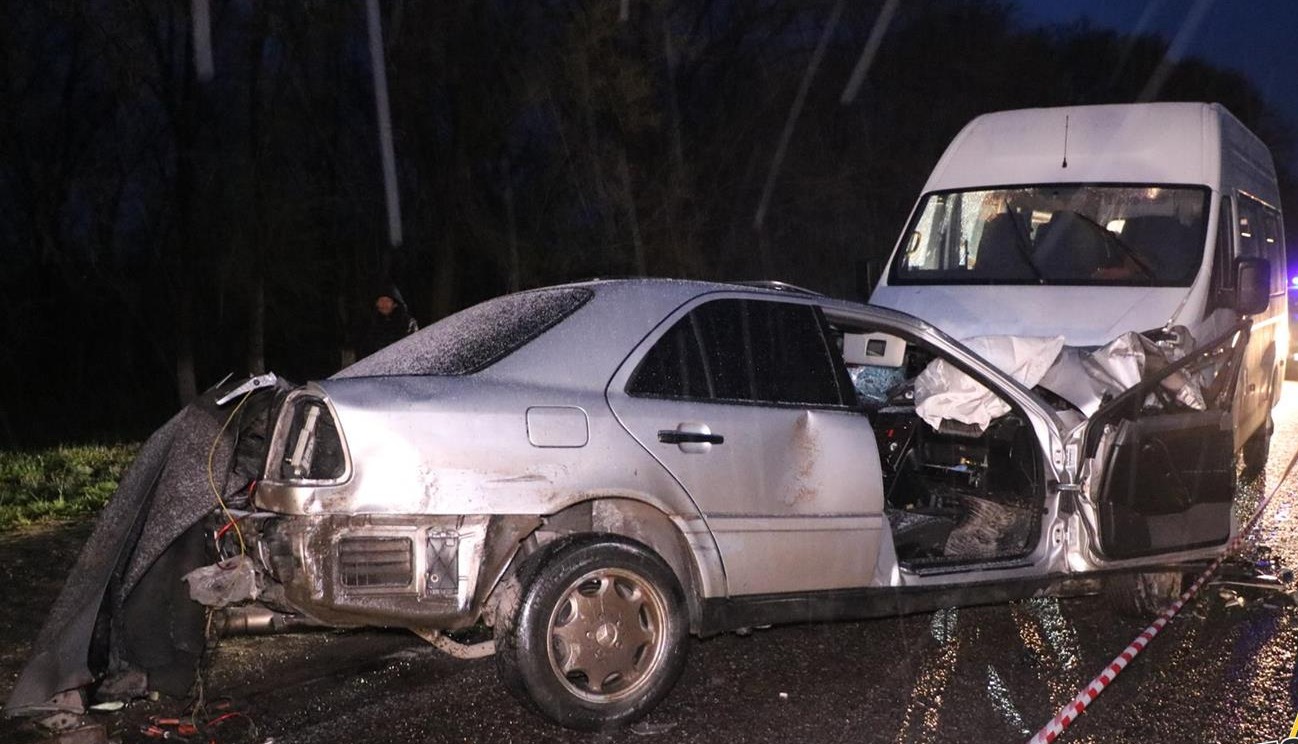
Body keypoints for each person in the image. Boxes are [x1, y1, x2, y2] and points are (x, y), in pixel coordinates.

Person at [357, 284, 418, 358]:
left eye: (387, 301)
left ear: (395, 304)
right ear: (376, 303)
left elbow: (412, 348)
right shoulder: (369, 323)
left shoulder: (408, 323)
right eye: (381, 300)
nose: (384, 304)